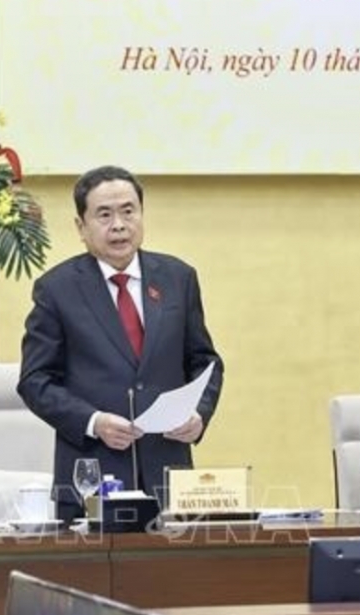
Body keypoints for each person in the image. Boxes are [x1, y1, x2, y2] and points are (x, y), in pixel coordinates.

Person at [17, 165, 223, 521]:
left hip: (169, 478)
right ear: (80, 227)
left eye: (129, 211)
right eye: (104, 214)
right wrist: (93, 421)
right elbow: (35, 381)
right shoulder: (57, 289)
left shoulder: (178, 278)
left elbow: (205, 361)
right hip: (91, 479)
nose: (119, 225)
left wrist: (198, 415)